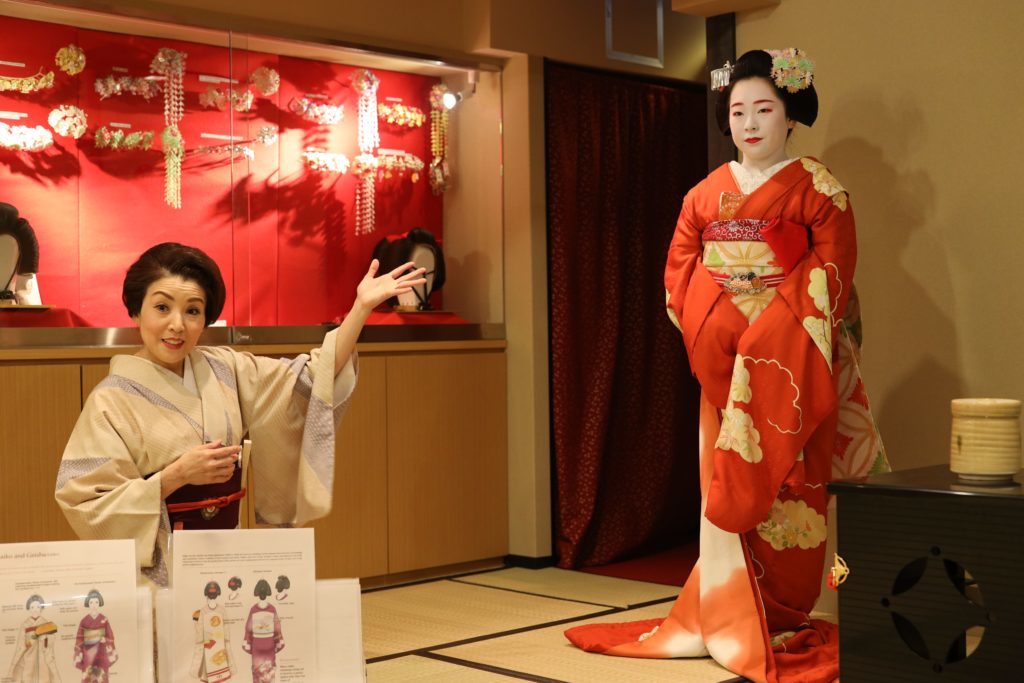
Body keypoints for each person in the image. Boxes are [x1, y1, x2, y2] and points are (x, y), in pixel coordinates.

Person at [565, 49, 887, 682]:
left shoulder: (821, 189)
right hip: (726, 368)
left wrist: (766, 336)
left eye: (764, 108)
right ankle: (726, 609)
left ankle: (787, 615)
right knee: (724, 481)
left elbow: (832, 275)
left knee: (794, 493)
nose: (749, 123)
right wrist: (729, 336)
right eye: (738, 111)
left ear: (791, 114)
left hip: (791, 367)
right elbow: (680, 274)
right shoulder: (704, 194)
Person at [54, 243, 426, 585]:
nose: (177, 325)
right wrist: (174, 477)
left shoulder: (224, 369)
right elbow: (85, 501)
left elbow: (310, 380)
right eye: (162, 307)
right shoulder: (112, 399)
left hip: (223, 556)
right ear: (136, 310)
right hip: (156, 572)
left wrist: (360, 310)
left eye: (193, 311)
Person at [6, 595, 60, 682]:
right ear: (29, 608)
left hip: (43, 661)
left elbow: (51, 643)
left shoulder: (46, 624)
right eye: (32, 607)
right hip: (28, 660)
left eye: (38, 607)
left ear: (41, 608)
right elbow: (20, 646)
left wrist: (45, 638)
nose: (35, 609)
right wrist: (31, 640)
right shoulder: (25, 625)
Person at [242, 579, 283, 683]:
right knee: (269, 672)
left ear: (257, 593)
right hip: (269, 644)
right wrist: (277, 644)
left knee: (257, 672)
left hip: (257, 645)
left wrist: (248, 644)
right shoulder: (272, 608)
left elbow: (248, 628)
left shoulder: (253, 609)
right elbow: (277, 628)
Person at [191, 581, 232, 683]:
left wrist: (225, 642)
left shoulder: (222, 610)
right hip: (208, 645)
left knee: (220, 669)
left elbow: (226, 628)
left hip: (219, 645)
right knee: (208, 670)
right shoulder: (202, 611)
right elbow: (199, 631)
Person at [73, 590, 117, 683]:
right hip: (88, 653)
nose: (93, 604)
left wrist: (105, 639)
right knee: (88, 677)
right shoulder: (84, 621)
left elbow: (110, 636)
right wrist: (81, 649)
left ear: (99, 603)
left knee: (102, 677)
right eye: (91, 602)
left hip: (101, 652)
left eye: (96, 602)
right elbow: (79, 638)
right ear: (88, 603)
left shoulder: (104, 619)